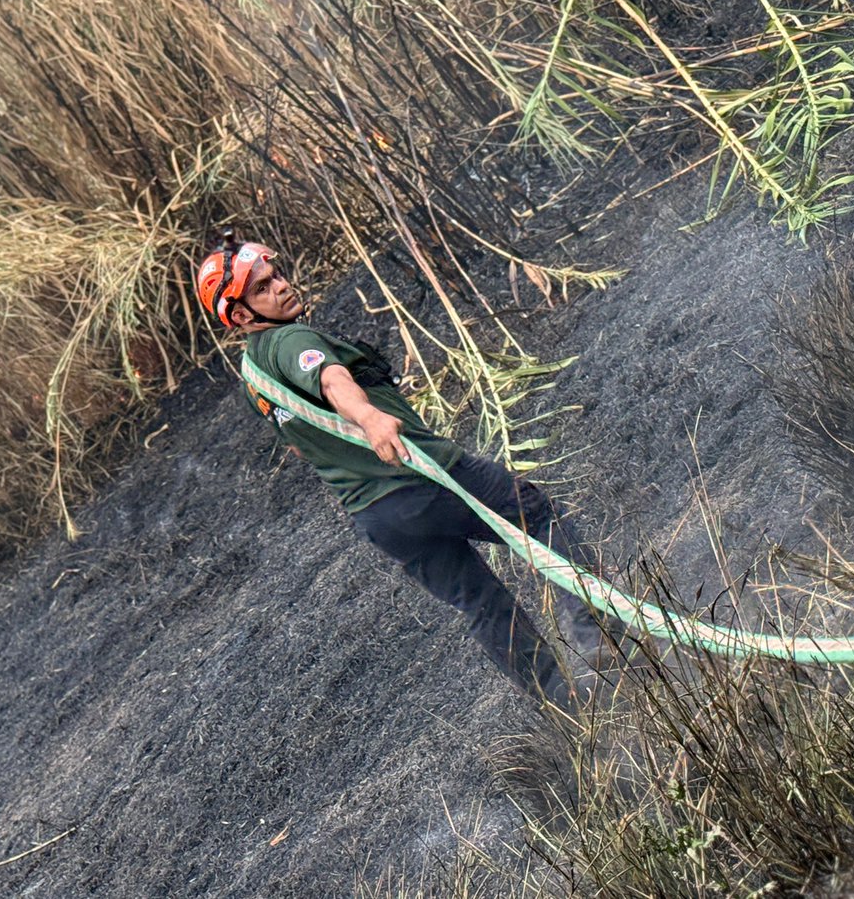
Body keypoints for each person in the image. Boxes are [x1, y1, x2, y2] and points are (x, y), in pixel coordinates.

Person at [195, 234, 602, 710]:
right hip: (423, 476)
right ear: (241, 315)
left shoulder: (255, 380)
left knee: (480, 601)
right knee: (536, 515)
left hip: (379, 518)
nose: (281, 286)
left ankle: (568, 711)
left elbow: (305, 448)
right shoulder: (291, 340)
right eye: (263, 288)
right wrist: (369, 418)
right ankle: (608, 648)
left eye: (276, 275)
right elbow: (332, 377)